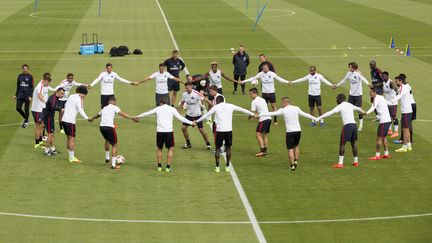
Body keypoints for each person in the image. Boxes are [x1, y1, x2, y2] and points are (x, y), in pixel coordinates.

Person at [196, 96, 255, 173]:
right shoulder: (230, 105)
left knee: (217, 148)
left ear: (217, 101)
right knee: (228, 148)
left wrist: (196, 121)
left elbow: (206, 115)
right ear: (223, 100)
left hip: (220, 131)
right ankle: (227, 166)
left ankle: (217, 167)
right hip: (228, 131)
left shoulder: (216, 107)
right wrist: (252, 114)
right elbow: (241, 109)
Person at [135, 97, 195, 172]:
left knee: (159, 149)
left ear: (161, 102)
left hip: (159, 132)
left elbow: (147, 113)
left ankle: (159, 166)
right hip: (169, 132)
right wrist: (191, 123)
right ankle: (168, 167)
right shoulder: (172, 109)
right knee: (170, 149)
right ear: (168, 103)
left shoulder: (158, 108)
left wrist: (137, 116)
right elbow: (180, 118)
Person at [261, 97, 315, 170]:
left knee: (290, 149)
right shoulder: (296, 108)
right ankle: (296, 161)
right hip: (298, 131)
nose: (281, 105)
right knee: (296, 146)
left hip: (290, 132)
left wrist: (260, 114)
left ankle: (292, 166)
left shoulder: (283, 110)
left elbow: (272, 113)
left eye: (282, 103)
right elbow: (305, 114)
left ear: (284, 102)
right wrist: (315, 118)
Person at [316, 94, 365, 168]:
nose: (336, 100)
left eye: (336, 99)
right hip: (354, 125)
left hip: (347, 126)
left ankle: (340, 163)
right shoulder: (349, 104)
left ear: (339, 99)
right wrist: (363, 111)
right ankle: (356, 162)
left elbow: (330, 113)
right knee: (353, 143)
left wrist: (319, 117)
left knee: (342, 143)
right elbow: (358, 108)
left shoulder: (340, 106)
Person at [90, 97, 136, 169]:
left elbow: (97, 115)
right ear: (114, 102)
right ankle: (113, 165)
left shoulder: (104, 108)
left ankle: (107, 157)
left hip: (102, 127)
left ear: (108, 102)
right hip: (109, 127)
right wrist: (132, 117)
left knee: (107, 140)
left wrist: (92, 118)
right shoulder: (115, 107)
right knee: (114, 145)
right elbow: (122, 114)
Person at [336, 62, 371, 131]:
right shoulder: (348, 73)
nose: (349, 68)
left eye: (351, 67)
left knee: (359, 110)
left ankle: (360, 125)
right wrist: (337, 85)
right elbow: (344, 80)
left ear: (354, 68)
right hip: (351, 94)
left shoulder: (358, 73)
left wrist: (368, 84)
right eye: (349, 67)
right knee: (349, 109)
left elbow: (363, 79)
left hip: (358, 94)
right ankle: (350, 122)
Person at [61, 86, 92, 163]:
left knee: (68, 138)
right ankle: (72, 158)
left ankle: (70, 156)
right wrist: (87, 118)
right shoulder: (79, 99)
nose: (84, 97)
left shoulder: (71, 96)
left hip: (64, 120)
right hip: (70, 121)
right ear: (82, 93)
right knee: (72, 138)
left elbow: (65, 106)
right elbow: (81, 110)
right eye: (84, 95)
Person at [178, 82, 211, 150]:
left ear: (191, 86)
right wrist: (179, 113)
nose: (187, 89)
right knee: (183, 128)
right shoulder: (184, 94)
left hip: (197, 115)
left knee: (201, 129)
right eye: (186, 88)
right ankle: (188, 143)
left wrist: (213, 106)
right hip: (189, 115)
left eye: (188, 88)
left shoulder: (196, 93)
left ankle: (208, 144)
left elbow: (205, 99)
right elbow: (182, 103)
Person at [365, 87, 392, 160]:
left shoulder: (376, 98)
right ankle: (386, 154)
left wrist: (366, 113)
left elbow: (373, 107)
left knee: (379, 138)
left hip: (383, 121)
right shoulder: (381, 97)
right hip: (388, 120)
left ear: (374, 92)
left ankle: (377, 155)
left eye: (371, 92)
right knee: (384, 137)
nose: (369, 93)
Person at [31, 73, 55, 149]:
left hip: (40, 109)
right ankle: (37, 143)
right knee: (38, 126)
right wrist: (46, 102)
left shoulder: (42, 84)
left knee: (42, 125)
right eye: (47, 82)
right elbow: (39, 95)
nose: (48, 84)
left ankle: (40, 141)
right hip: (37, 109)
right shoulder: (40, 86)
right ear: (45, 80)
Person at [248, 88, 272, 157]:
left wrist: (251, 116)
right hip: (269, 118)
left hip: (263, 119)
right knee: (265, 135)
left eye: (251, 94)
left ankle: (262, 151)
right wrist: (257, 116)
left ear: (255, 93)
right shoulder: (262, 99)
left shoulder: (254, 102)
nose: (250, 96)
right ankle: (265, 150)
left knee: (258, 134)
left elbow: (252, 112)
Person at [394, 73, 416, 144]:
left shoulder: (404, 86)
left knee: (405, 126)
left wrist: (391, 101)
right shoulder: (406, 86)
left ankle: (404, 141)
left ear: (401, 80)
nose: (396, 82)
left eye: (397, 81)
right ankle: (409, 141)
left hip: (409, 105)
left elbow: (399, 95)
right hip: (411, 104)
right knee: (408, 124)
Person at [43, 88, 65, 156]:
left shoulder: (55, 97)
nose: (62, 95)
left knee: (52, 134)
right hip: (48, 118)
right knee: (50, 134)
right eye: (61, 93)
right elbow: (53, 107)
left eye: (63, 93)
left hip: (50, 117)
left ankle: (53, 149)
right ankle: (46, 151)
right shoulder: (53, 98)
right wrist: (60, 109)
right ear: (57, 92)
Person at [12, 64, 34, 128]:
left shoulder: (30, 77)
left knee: (26, 109)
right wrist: (16, 95)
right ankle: (26, 118)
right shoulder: (20, 76)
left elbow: (32, 87)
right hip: (20, 95)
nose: (25, 70)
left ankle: (26, 122)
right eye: (24, 69)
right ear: (22, 69)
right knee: (18, 108)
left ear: (28, 69)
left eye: (26, 69)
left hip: (27, 96)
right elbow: (18, 86)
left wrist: (30, 96)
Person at [382, 72, 399, 137]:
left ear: (387, 76)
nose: (382, 78)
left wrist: (397, 90)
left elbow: (396, 88)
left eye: (383, 76)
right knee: (388, 116)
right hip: (387, 102)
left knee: (393, 116)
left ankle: (396, 131)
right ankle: (389, 130)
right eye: (382, 76)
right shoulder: (383, 82)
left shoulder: (391, 83)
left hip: (393, 103)